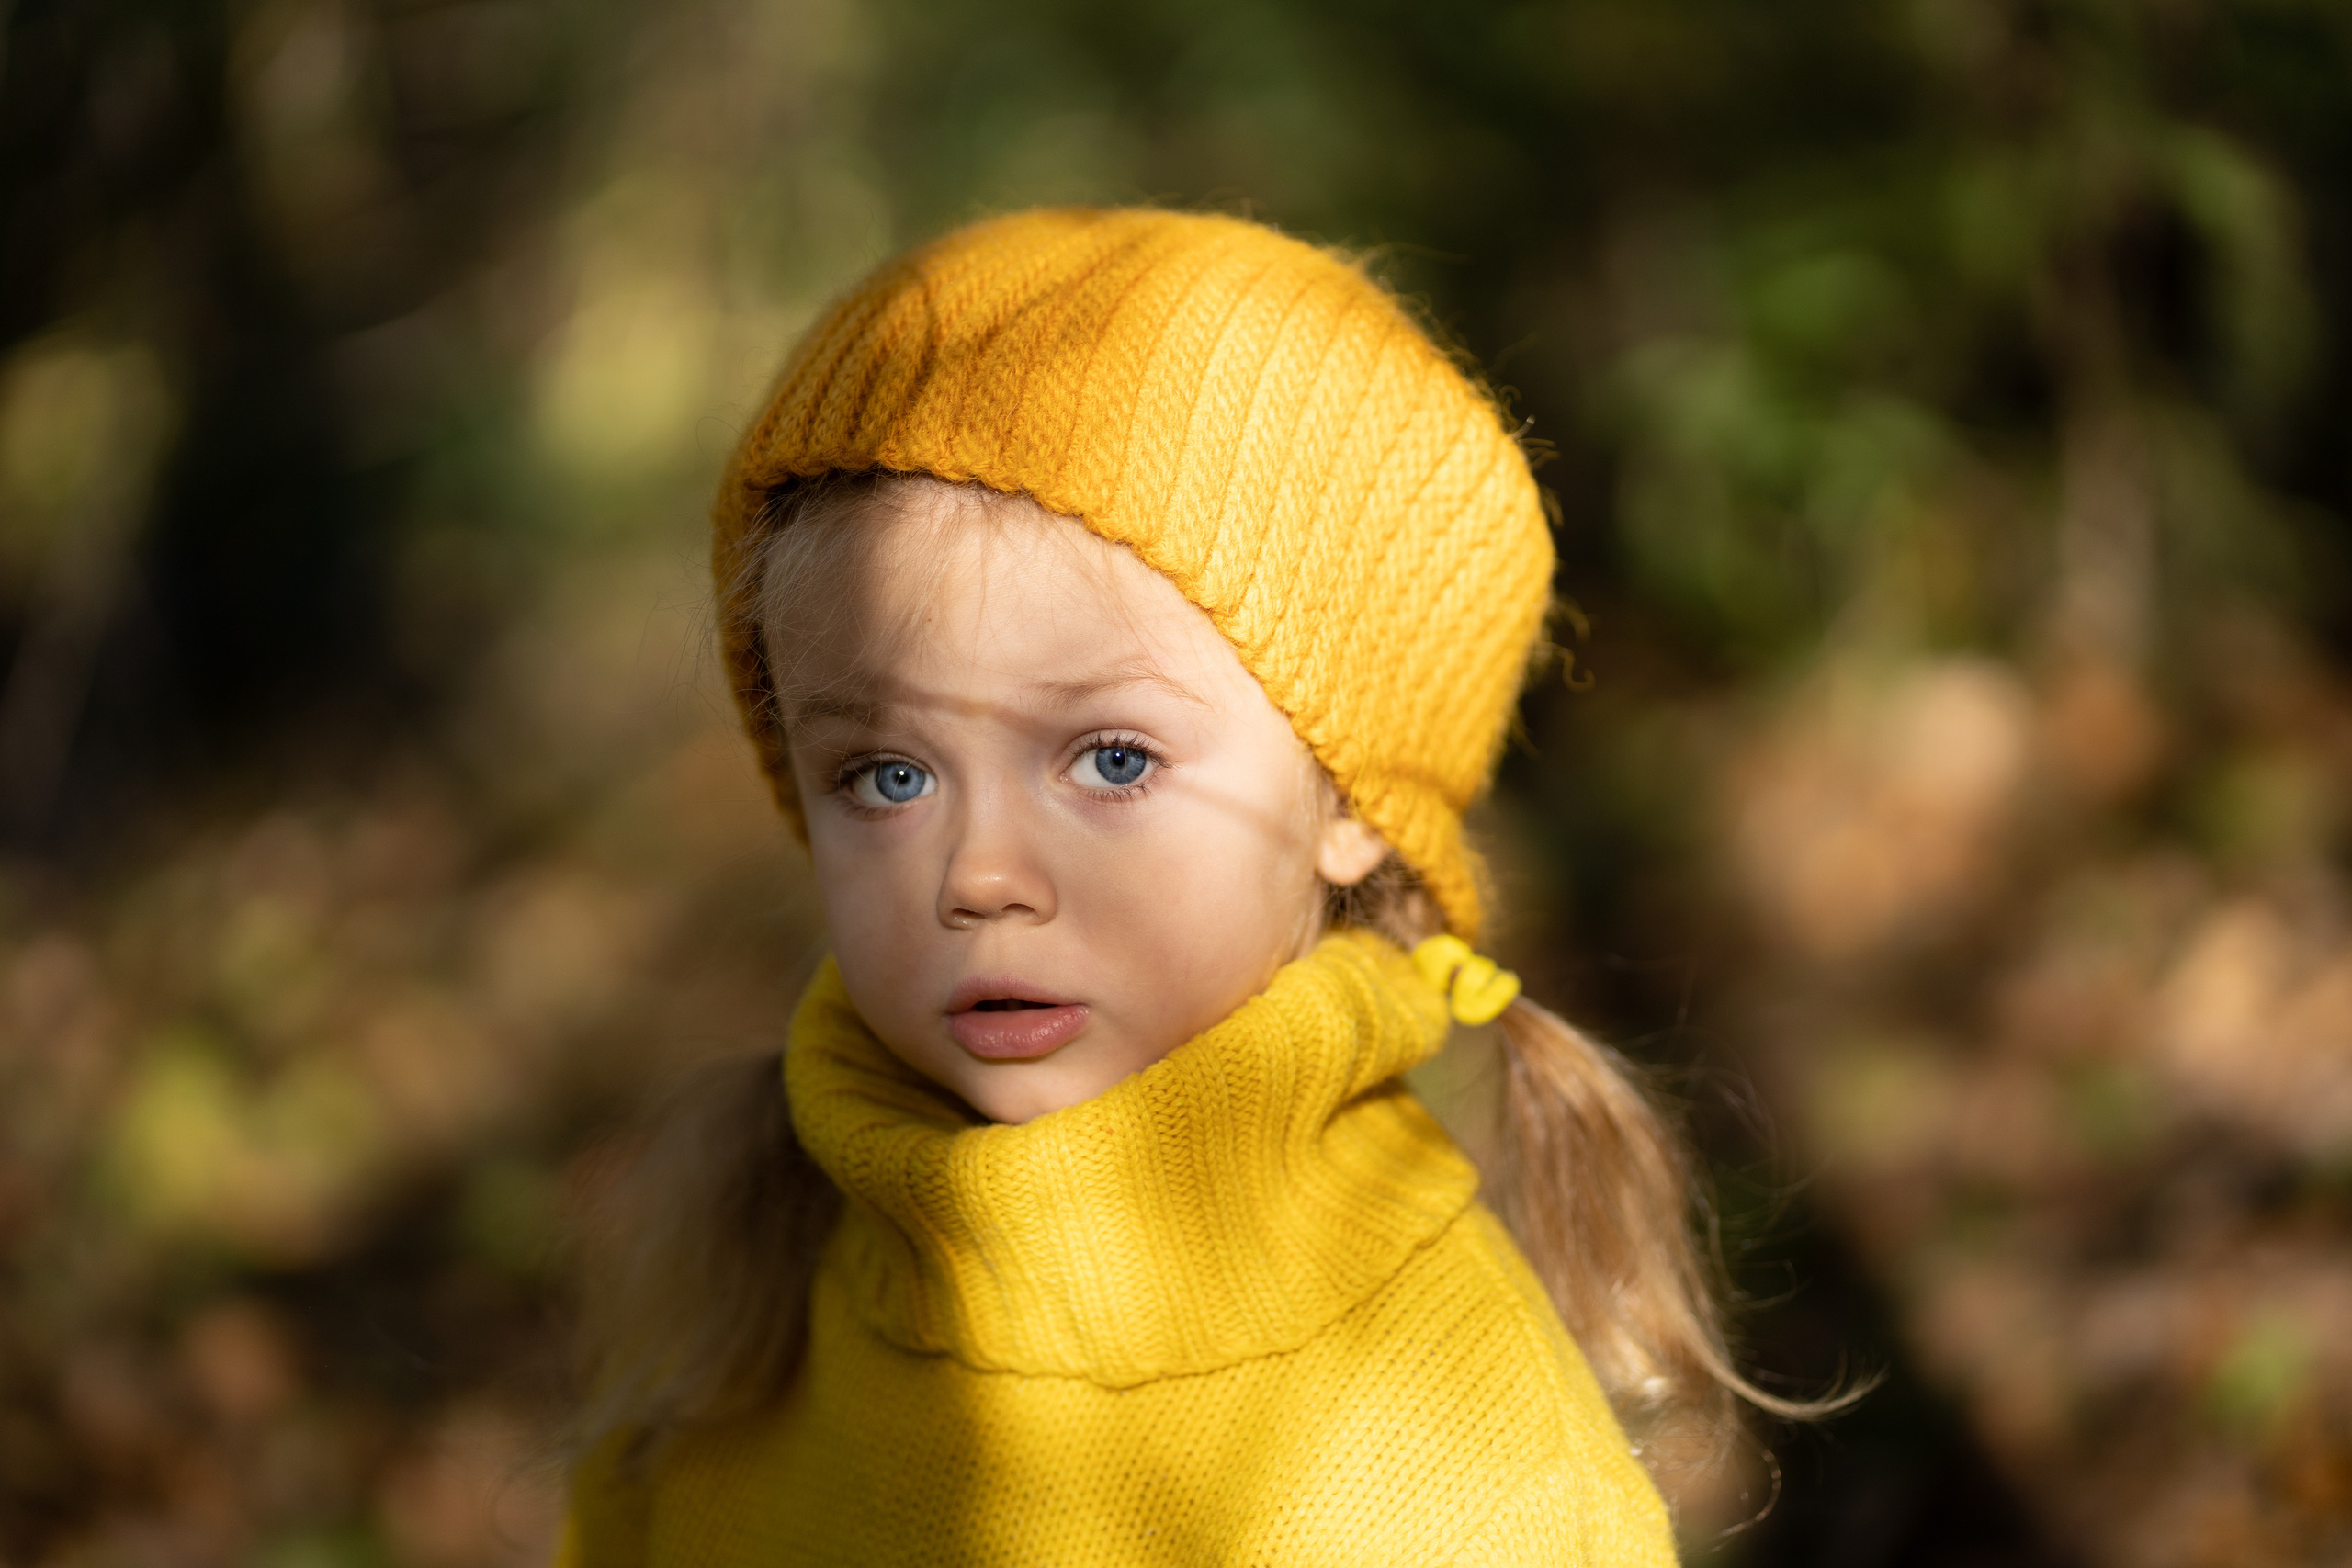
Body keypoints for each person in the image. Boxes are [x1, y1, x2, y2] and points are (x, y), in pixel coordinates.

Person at [559, 207, 1816, 1566]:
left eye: (1112, 760)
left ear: (1349, 798)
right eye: (887, 775)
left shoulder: (1464, 1467)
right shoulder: (743, 1343)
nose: (980, 875)